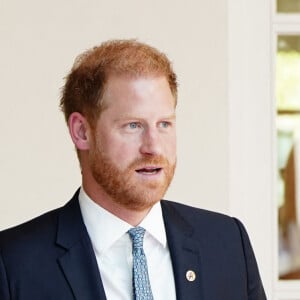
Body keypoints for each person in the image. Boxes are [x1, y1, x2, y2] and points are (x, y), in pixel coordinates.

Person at [0, 39, 266, 300]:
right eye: (133, 126)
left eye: (164, 124)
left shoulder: (227, 243)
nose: (153, 147)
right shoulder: (13, 263)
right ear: (82, 132)